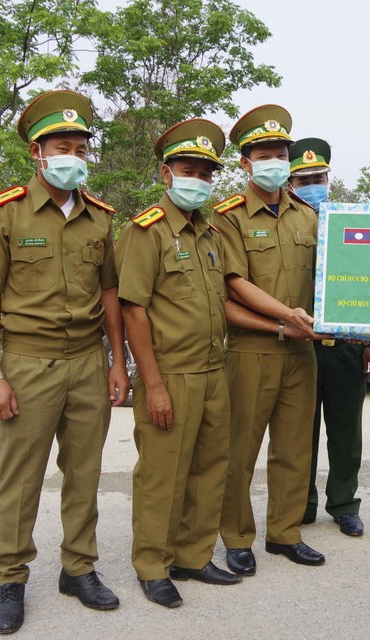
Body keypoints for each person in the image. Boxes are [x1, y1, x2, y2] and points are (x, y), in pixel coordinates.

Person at [0, 90, 130, 634]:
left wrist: (117, 363)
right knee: (21, 475)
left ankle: (78, 568)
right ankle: (10, 576)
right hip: (27, 362)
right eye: (63, 145)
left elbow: (109, 296)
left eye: (81, 147)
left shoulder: (99, 218)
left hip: (86, 361)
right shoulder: (3, 213)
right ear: (37, 152)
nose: (73, 156)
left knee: (85, 471)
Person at [115, 118, 240, 609]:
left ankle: (192, 556)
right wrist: (154, 384)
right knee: (162, 473)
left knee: (210, 468)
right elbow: (133, 310)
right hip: (170, 374)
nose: (199, 180)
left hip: (214, 371)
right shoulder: (145, 231)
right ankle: (152, 564)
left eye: (207, 173)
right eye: (189, 169)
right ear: (167, 174)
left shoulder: (209, 232)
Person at [216, 104, 327, 575]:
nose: (273, 160)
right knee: (240, 450)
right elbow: (234, 283)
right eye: (263, 153)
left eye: (280, 152)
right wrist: (286, 317)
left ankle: (285, 533)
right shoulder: (228, 217)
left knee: (295, 447)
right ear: (245, 162)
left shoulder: (309, 215)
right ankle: (238, 538)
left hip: (303, 350)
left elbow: (332, 277)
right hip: (252, 349)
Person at [287, 137, 370, 537]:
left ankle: (344, 504)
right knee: (297, 433)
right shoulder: (282, 224)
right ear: (291, 185)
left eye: (318, 177)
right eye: (303, 179)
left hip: (347, 348)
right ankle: (300, 504)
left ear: (329, 178)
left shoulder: (352, 221)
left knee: (346, 433)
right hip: (298, 346)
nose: (312, 185)